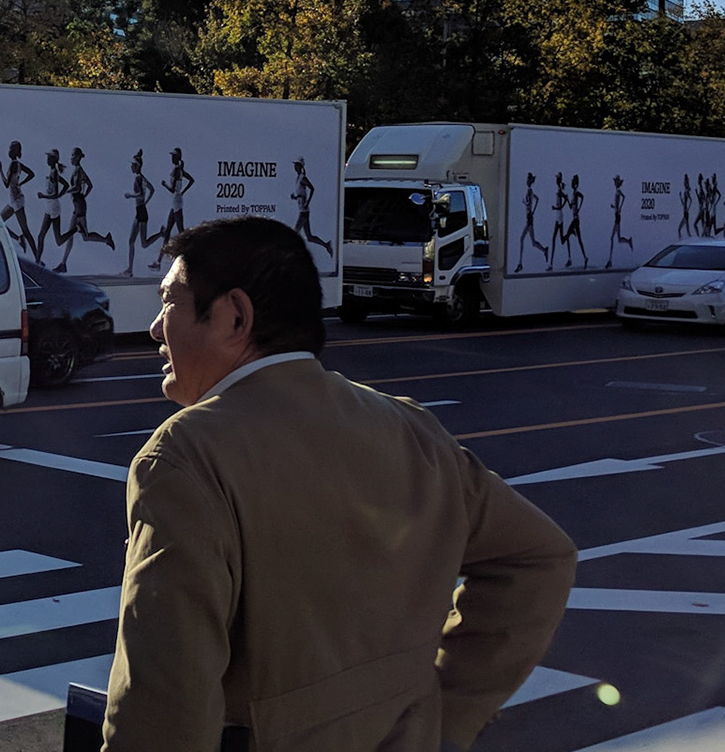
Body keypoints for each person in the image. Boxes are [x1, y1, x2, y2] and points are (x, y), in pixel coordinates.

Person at [103, 217, 577, 752]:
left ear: (235, 316)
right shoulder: (410, 428)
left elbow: (165, 700)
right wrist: (447, 711)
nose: (154, 328)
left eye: (170, 303)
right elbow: (541, 557)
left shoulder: (187, 455)